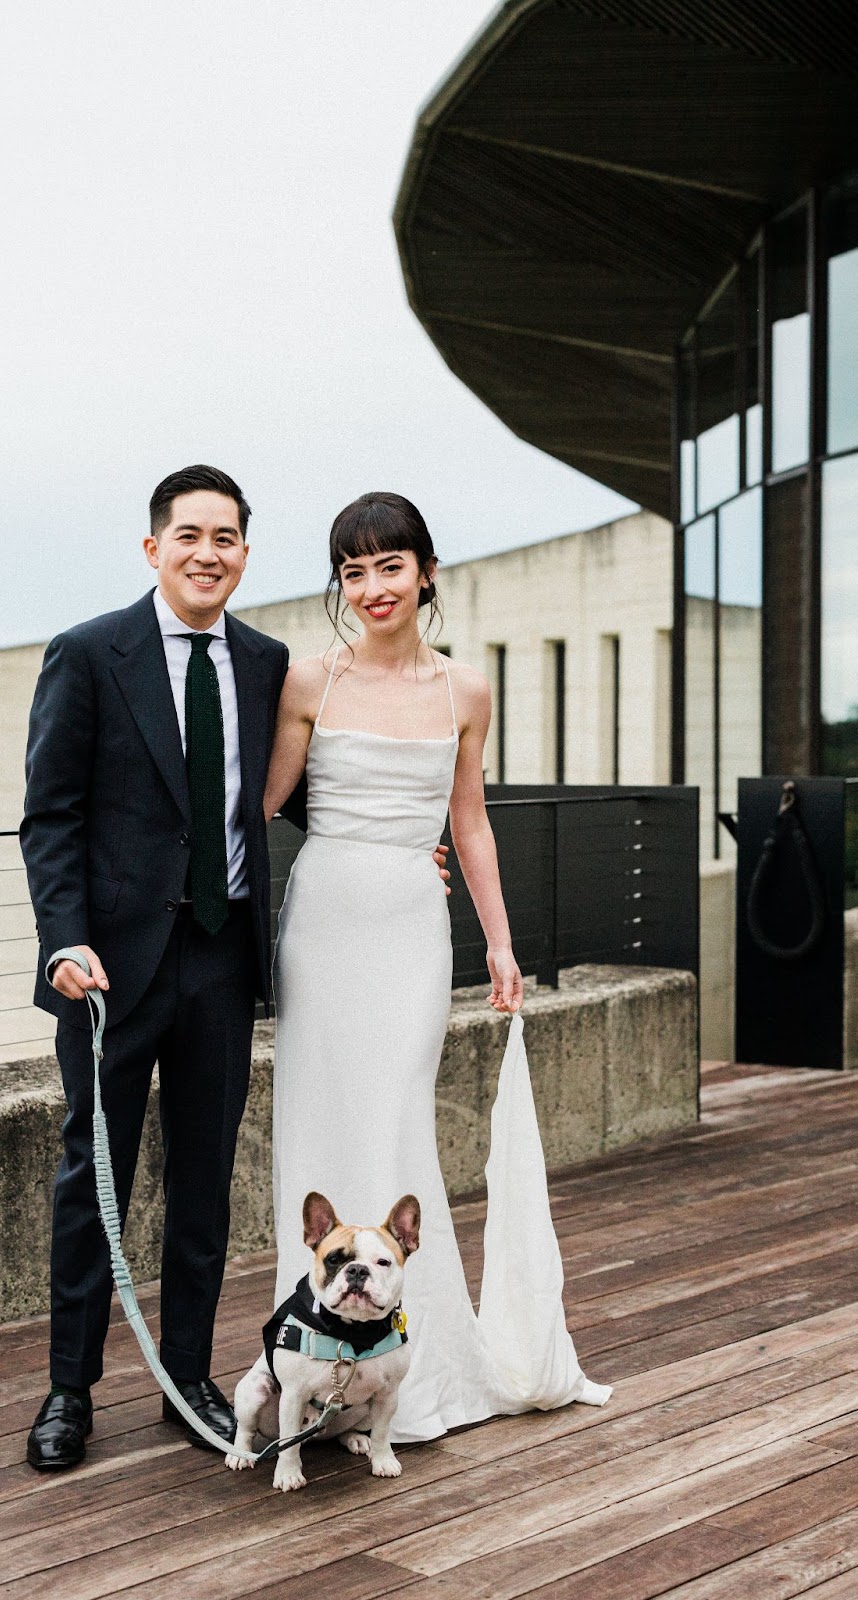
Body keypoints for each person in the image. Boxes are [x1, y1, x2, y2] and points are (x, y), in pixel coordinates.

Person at [262, 491, 610, 1442]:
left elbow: (470, 824)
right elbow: (259, 806)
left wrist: (498, 941)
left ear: (425, 571)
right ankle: (319, 1367)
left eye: (389, 565)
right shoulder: (308, 683)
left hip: (415, 933)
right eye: (353, 571)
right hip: (323, 926)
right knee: (324, 1128)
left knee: (400, 1124)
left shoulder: (466, 691)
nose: (373, 587)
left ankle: (410, 1369)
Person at [20, 464, 298, 1467]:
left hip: (220, 962)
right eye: (189, 535)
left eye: (226, 537)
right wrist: (64, 936)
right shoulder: (90, 653)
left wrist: (399, 840)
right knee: (92, 1181)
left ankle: (188, 1377)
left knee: (204, 1185)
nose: (207, 552)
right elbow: (49, 815)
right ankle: (68, 1391)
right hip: (110, 971)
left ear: (244, 554)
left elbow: (292, 784)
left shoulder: (266, 663)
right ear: (154, 548)